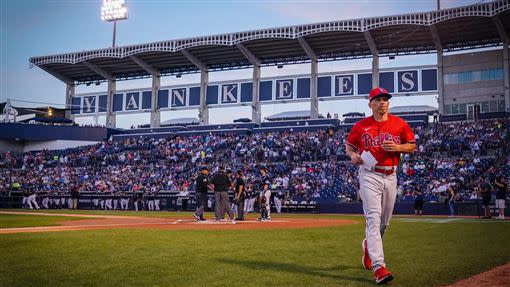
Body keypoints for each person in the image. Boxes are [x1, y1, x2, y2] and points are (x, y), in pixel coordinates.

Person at [345, 87, 416, 284]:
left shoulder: (399, 123)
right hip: (369, 174)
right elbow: (349, 146)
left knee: (384, 223)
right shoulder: (361, 126)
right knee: (373, 219)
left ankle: (369, 246)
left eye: (385, 99)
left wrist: (399, 147)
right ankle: (379, 267)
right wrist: (353, 156)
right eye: (378, 99)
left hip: (391, 175)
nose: (382, 102)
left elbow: (412, 145)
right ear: (370, 104)